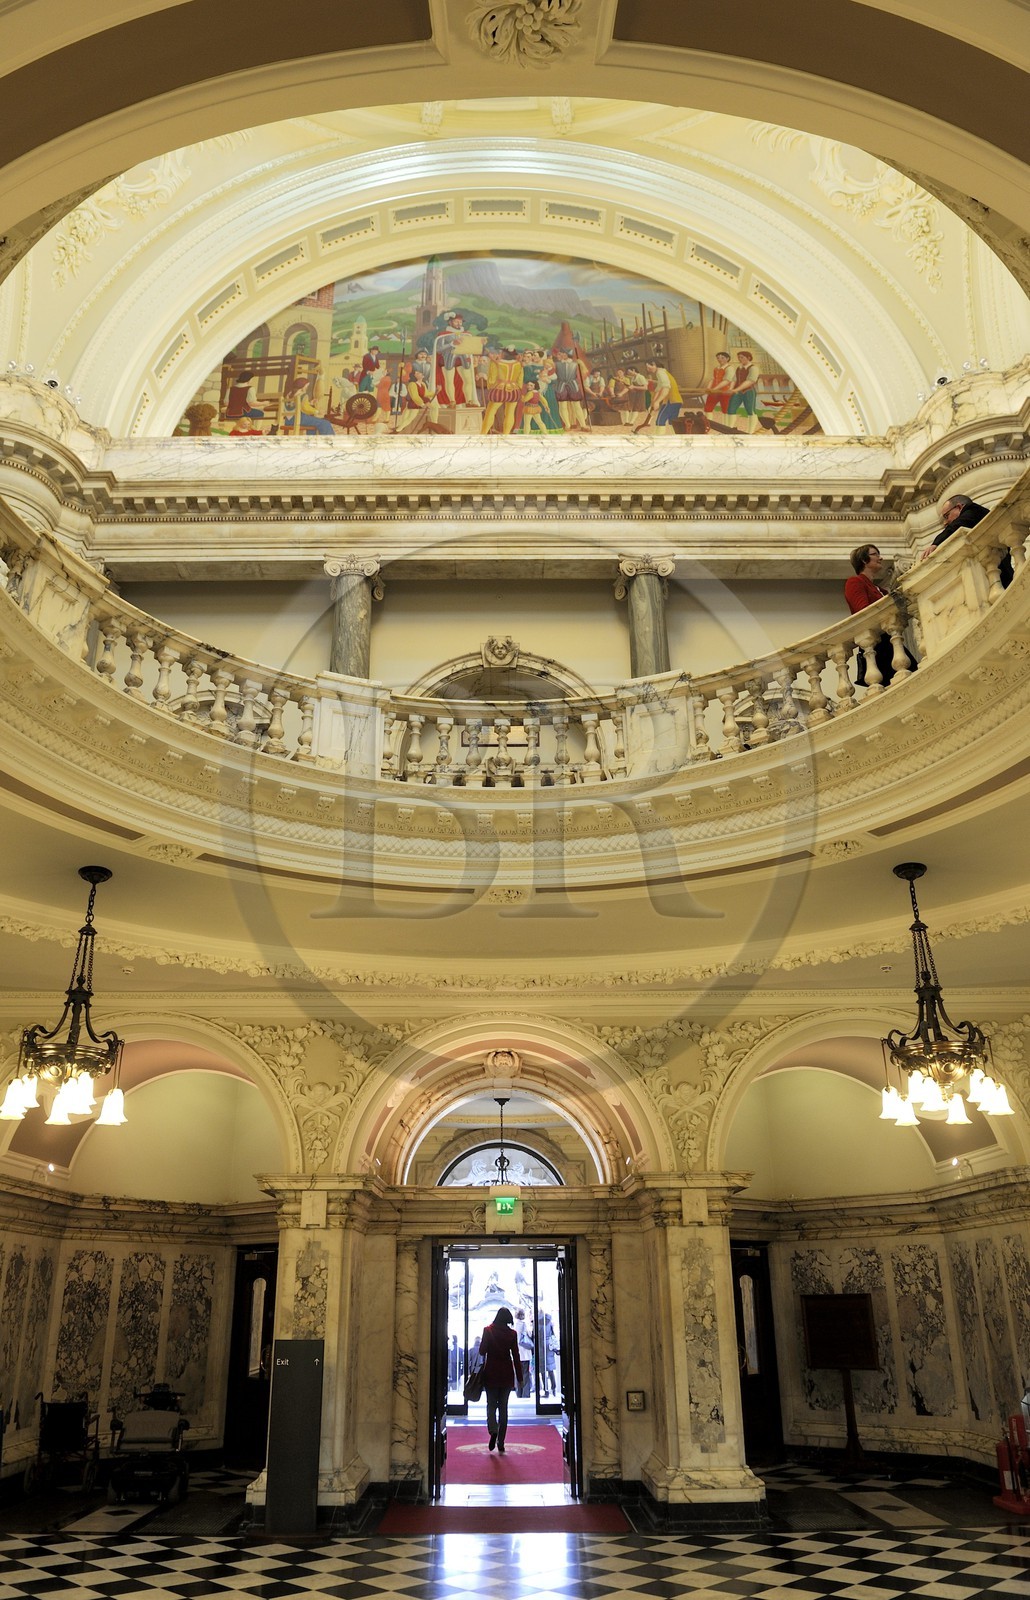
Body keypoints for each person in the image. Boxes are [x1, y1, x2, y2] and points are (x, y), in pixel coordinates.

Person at [845, 543, 915, 687]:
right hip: (877, 643)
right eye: (875, 554)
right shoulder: (855, 582)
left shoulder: (881, 590)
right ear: (864, 560)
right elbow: (862, 612)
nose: (880, 558)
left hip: (890, 639)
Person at [478, 1306, 522, 1452]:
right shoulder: (512, 1334)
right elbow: (516, 1356)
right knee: (503, 1408)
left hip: (491, 1373)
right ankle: (501, 1442)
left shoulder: (488, 1330)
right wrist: (520, 1378)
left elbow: (482, 1351)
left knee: (491, 1405)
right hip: (506, 1374)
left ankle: (493, 1430)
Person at [920, 493, 991, 559]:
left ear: (959, 507)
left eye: (947, 516)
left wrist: (935, 544)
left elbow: (955, 526)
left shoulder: (974, 510)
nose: (945, 522)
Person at [704, 351, 733, 416]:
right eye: (718, 358)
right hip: (714, 392)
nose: (720, 360)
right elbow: (713, 379)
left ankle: (726, 425)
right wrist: (708, 388)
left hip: (725, 392)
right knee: (708, 408)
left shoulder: (730, 368)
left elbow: (727, 381)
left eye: (722, 358)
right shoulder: (716, 368)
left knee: (725, 409)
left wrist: (714, 389)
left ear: (727, 358)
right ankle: (709, 424)